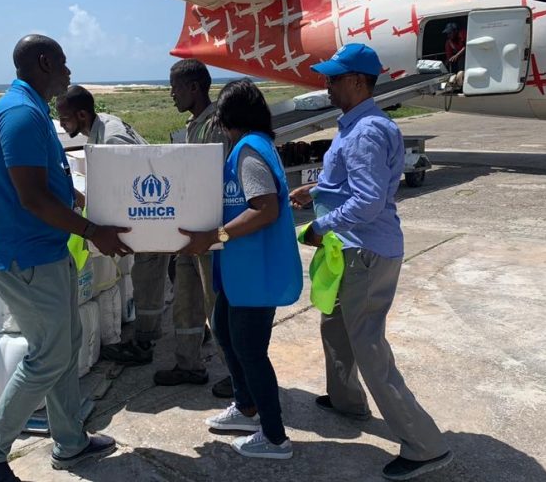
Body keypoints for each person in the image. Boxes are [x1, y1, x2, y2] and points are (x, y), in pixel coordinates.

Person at [0, 35, 129, 482]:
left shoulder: (30, 109)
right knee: (49, 356)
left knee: (65, 345)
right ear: (42, 62)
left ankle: (70, 442)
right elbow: (32, 198)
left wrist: (71, 194)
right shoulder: (20, 114)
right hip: (25, 258)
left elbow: (46, 181)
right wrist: (94, 232)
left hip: (44, 253)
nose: (69, 73)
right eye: (63, 63)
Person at [290, 44, 453, 480]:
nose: (327, 85)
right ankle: (346, 401)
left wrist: (321, 226)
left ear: (358, 82)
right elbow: (350, 185)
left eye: (334, 78)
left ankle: (424, 446)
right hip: (354, 250)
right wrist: (316, 193)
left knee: (369, 347)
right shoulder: (357, 125)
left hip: (364, 250)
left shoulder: (365, 131)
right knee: (334, 324)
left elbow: (366, 201)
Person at [180, 78, 302, 459]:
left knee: (250, 350)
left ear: (227, 116)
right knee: (224, 330)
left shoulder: (249, 151)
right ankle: (246, 407)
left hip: (255, 271)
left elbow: (265, 208)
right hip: (240, 271)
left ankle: (275, 436)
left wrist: (215, 235)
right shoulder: (252, 146)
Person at [133, 58, 233, 398]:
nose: (171, 95)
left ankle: (236, 373)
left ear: (193, 87)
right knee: (186, 300)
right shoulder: (196, 124)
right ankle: (189, 364)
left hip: (208, 231)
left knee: (214, 302)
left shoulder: (216, 125)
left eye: (175, 88)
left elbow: (213, 181)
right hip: (189, 230)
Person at [56, 84, 152, 366]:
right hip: (145, 214)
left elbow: (132, 187)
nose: (62, 124)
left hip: (149, 216)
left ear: (82, 115)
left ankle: (144, 346)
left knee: (147, 280)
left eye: (65, 118)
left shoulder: (111, 141)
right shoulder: (104, 125)